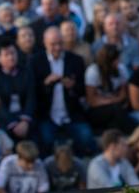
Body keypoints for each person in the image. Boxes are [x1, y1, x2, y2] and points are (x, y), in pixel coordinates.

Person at [31, 25, 96, 157]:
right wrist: (47, 84)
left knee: (87, 138)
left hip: (71, 113)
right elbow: (33, 93)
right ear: (45, 43)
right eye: (53, 44)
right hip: (47, 115)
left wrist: (72, 86)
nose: (57, 48)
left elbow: (82, 90)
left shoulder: (76, 60)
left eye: (60, 44)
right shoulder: (35, 62)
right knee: (45, 142)